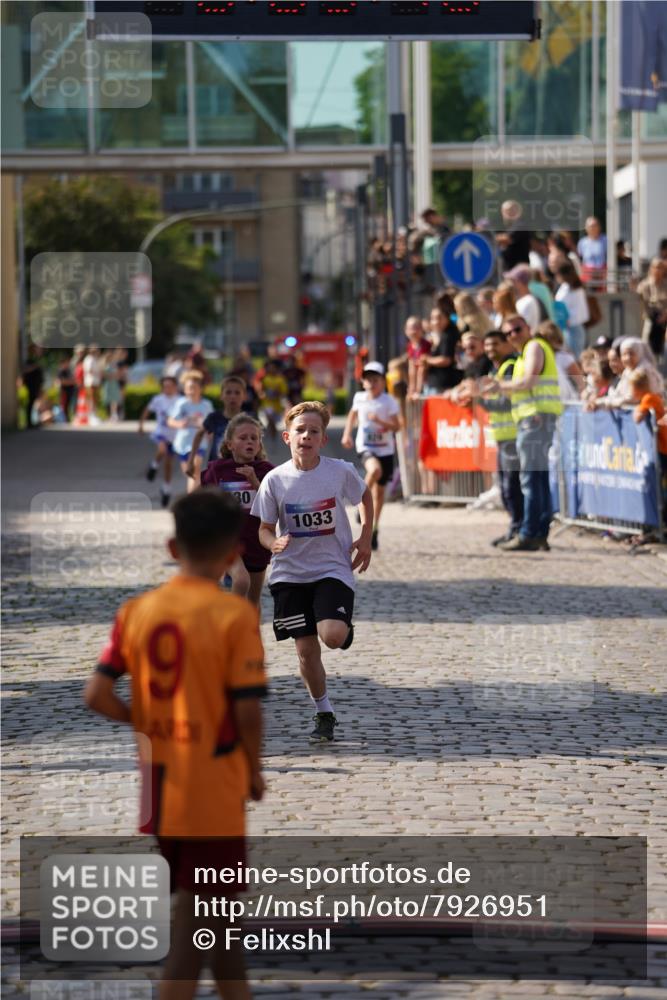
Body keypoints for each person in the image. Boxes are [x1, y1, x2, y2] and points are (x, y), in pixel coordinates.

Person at [84, 489, 266, 1000]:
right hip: (211, 785)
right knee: (196, 930)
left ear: (172, 548)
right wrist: (254, 770)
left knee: (217, 925)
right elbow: (248, 711)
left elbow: (96, 694)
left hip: (158, 787)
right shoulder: (234, 617)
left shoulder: (136, 611)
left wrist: (144, 721)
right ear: (233, 554)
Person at [251, 401, 373, 744]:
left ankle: (341, 628)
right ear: (287, 437)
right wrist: (273, 543)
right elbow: (264, 529)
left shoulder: (339, 471)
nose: (306, 436)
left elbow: (365, 497)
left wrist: (365, 536)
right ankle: (324, 711)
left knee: (332, 637)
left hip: (332, 567)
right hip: (289, 575)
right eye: (300, 430)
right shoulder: (274, 480)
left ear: (323, 439)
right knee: (305, 651)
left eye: (314, 431)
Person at [481, 314, 563, 552]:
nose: (513, 335)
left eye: (517, 329)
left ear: (528, 327)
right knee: (537, 479)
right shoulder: (524, 354)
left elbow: (528, 382)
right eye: (508, 333)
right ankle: (538, 533)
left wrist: (499, 386)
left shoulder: (534, 346)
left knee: (530, 480)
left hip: (535, 420)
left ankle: (529, 533)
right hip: (532, 420)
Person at [201, 414, 274, 607]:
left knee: (253, 602)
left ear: (259, 445)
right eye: (243, 438)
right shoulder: (217, 469)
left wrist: (255, 482)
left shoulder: (267, 471)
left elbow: (274, 505)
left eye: (254, 438)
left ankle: (247, 627)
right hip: (227, 539)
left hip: (256, 541)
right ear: (230, 444)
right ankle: (231, 620)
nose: (249, 441)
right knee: (241, 581)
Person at [341, 361, 401, 552]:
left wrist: (380, 421)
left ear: (383, 381)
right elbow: (352, 415)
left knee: (379, 494)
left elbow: (397, 426)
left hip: (385, 450)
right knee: (374, 470)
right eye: (368, 380)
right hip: (366, 446)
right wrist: (347, 434)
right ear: (363, 382)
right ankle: (359, 501)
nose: (372, 383)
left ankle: (373, 528)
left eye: (376, 380)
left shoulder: (388, 401)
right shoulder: (359, 398)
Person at [474, 330, 523, 545]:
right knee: (505, 488)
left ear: (506, 344)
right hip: (503, 436)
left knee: (512, 487)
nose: (490, 349)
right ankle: (514, 528)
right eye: (487, 345)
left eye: (495, 344)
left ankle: (518, 529)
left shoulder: (510, 367)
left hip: (513, 436)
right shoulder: (497, 369)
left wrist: (480, 401)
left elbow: (506, 403)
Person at [186, 375, 246, 476]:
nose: (233, 396)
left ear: (244, 396)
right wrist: (191, 460)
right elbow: (199, 434)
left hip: (240, 470)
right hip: (216, 469)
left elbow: (258, 444)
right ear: (221, 396)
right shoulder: (214, 417)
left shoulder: (248, 420)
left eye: (237, 393)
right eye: (228, 392)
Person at [168, 371, 214, 492]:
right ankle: (195, 495)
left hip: (200, 443)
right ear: (184, 389)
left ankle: (191, 497)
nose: (191, 390)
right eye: (189, 388)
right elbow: (170, 421)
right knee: (191, 474)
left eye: (194, 387)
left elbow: (212, 422)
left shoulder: (206, 405)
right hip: (183, 444)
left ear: (200, 388)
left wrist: (210, 432)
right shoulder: (181, 404)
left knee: (196, 467)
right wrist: (179, 424)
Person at [139, 375, 181, 508]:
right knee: (162, 450)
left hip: (174, 436)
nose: (167, 388)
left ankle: (166, 488)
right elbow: (147, 410)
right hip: (161, 433)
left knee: (168, 463)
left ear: (176, 387)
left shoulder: (180, 400)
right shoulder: (158, 399)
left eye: (170, 386)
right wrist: (141, 425)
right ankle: (154, 465)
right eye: (165, 386)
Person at [589, 337, 665, 410]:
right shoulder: (628, 371)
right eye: (624, 354)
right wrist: (599, 402)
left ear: (639, 352)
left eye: (631, 353)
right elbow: (618, 394)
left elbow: (633, 398)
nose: (628, 358)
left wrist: (602, 402)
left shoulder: (644, 370)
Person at [418, 298, 462, 396]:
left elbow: (446, 360)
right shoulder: (436, 336)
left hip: (445, 386)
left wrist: (427, 360)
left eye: (439, 318)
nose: (435, 322)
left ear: (447, 318)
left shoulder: (449, 335)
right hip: (434, 384)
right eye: (433, 318)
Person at [537, 320, 586, 403]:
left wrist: (582, 398)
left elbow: (580, 381)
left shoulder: (564, 357)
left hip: (567, 401)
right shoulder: (538, 357)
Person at [554, 262, 589, 359]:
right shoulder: (572, 287)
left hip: (571, 327)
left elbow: (562, 307)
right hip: (571, 327)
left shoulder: (569, 289)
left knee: (573, 357)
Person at [637, 257, 667, 362]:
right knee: (646, 340)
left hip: (665, 318)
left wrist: (664, 315)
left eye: (660, 268)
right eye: (655, 267)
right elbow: (641, 303)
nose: (657, 270)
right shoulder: (644, 285)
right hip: (650, 318)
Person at [496, 200, 532, 272]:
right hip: (511, 270)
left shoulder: (521, 225)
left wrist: (486, 238)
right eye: (504, 211)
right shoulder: (511, 227)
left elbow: (506, 239)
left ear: (518, 211)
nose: (506, 214)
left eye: (510, 210)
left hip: (519, 271)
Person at [504, 265, 541, 333]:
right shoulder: (523, 300)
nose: (511, 284)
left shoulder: (528, 301)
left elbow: (521, 328)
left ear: (520, 283)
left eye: (513, 281)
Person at [258, 359, 288, 440]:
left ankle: (272, 434)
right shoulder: (264, 379)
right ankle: (271, 435)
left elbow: (284, 392)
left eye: (273, 367)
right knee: (270, 418)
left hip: (277, 405)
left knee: (272, 422)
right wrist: (262, 394)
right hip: (267, 403)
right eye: (269, 367)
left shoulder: (280, 380)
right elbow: (261, 390)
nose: (271, 369)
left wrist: (277, 393)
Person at [403, 315, 431, 396]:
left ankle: (418, 391)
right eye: (411, 329)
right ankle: (412, 389)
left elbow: (423, 364)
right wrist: (411, 386)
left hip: (425, 375)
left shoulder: (425, 344)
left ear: (421, 330)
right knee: (411, 367)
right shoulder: (410, 346)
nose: (413, 332)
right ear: (406, 331)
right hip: (416, 372)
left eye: (416, 328)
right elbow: (411, 366)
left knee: (421, 368)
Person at [577, 216, 608, 288]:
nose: (593, 228)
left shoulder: (605, 240)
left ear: (599, 227)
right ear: (586, 228)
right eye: (591, 226)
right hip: (588, 274)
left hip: (602, 273)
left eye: (595, 225)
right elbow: (580, 258)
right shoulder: (582, 242)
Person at [21, 345, 44, 429]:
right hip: (31, 385)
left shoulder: (38, 359)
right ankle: (29, 423)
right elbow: (25, 370)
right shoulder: (30, 360)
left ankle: (35, 421)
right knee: (30, 403)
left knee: (36, 403)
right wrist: (35, 366)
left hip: (37, 385)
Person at [82, 345, 104, 421]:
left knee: (95, 399)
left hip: (95, 382)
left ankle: (94, 414)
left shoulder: (95, 359)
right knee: (91, 399)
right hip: (90, 382)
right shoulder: (89, 359)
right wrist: (98, 373)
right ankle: (91, 415)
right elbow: (89, 370)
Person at [101, 349, 122, 422]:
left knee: (115, 399)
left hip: (114, 384)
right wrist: (112, 376)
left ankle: (114, 414)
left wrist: (114, 376)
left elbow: (117, 375)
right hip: (108, 384)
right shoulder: (105, 365)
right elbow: (104, 375)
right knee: (109, 400)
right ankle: (110, 415)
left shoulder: (114, 365)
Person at [56, 354, 77, 422]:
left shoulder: (69, 370)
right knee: (64, 405)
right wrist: (71, 382)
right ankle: (65, 419)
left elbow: (74, 379)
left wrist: (71, 381)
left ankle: (68, 418)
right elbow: (62, 381)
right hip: (64, 390)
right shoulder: (61, 371)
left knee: (70, 404)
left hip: (70, 390)